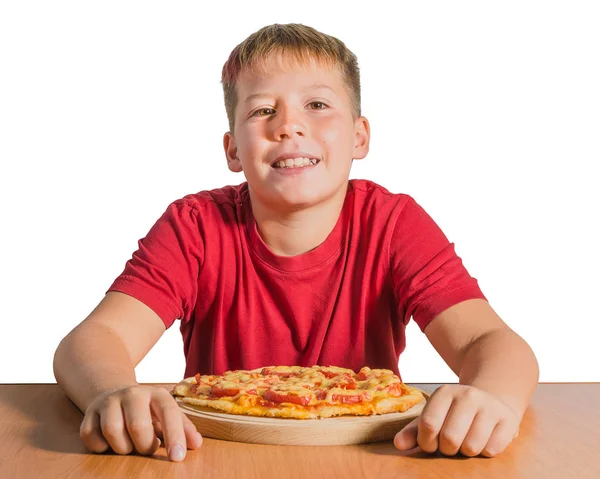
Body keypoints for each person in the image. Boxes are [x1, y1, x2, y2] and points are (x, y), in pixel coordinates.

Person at [53, 23, 539, 462]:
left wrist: (493, 399)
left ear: (359, 137)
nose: (289, 125)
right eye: (264, 110)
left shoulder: (393, 223)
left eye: (318, 105)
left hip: (368, 458)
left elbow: (489, 341)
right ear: (233, 150)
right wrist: (114, 392)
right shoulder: (194, 226)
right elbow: (94, 340)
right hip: (217, 456)